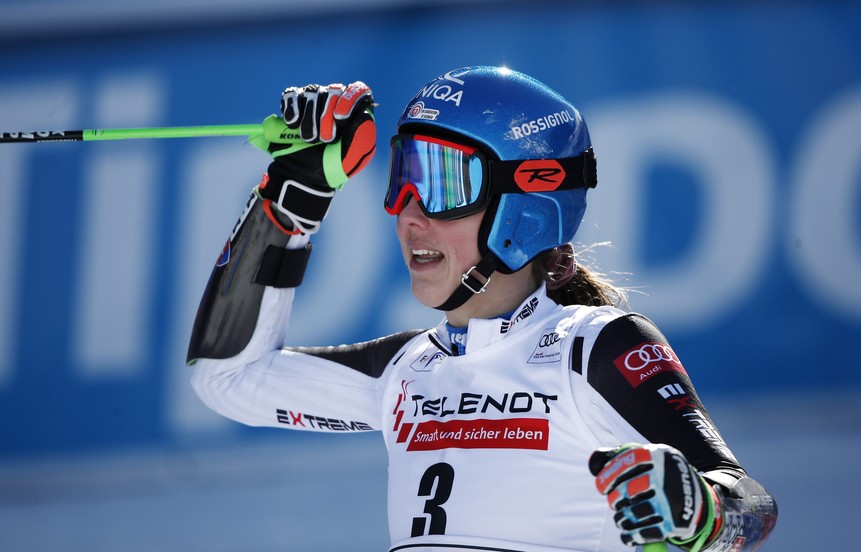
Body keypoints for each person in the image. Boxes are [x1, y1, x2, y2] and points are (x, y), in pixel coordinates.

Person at [187, 67, 778, 551]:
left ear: (526, 205)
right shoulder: (406, 368)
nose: (410, 213)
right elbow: (227, 378)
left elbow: (750, 500)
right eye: (403, 179)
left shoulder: (594, 344)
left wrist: (701, 512)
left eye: (443, 183)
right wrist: (295, 193)